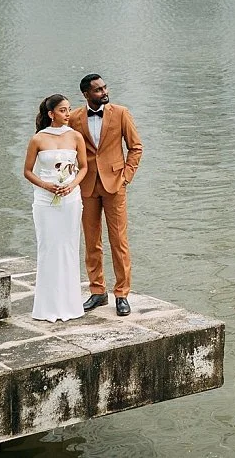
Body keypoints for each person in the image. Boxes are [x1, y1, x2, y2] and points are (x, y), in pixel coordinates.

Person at [70, 74, 144, 316]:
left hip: (115, 184)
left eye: (104, 87)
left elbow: (136, 147)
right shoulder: (74, 118)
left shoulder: (121, 113)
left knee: (119, 241)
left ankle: (122, 294)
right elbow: (67, 150)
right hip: (87, 186)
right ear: (86, 94)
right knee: (92, 242)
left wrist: (126, 176)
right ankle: (98, 291)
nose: (104, 91)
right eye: (98, 90)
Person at [23, 93, 88, 322]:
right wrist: (46, 185)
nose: (68, 114)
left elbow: (83, 168)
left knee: (69, 247)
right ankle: (47, 307)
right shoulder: (38, 139)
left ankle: (71, 305)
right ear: (51, 114)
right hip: (45, 200)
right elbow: (28, 171)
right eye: (62, 110)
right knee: (48, 248)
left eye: (69, 109)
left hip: (70, 199)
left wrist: (71, 186)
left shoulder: (76, 137)